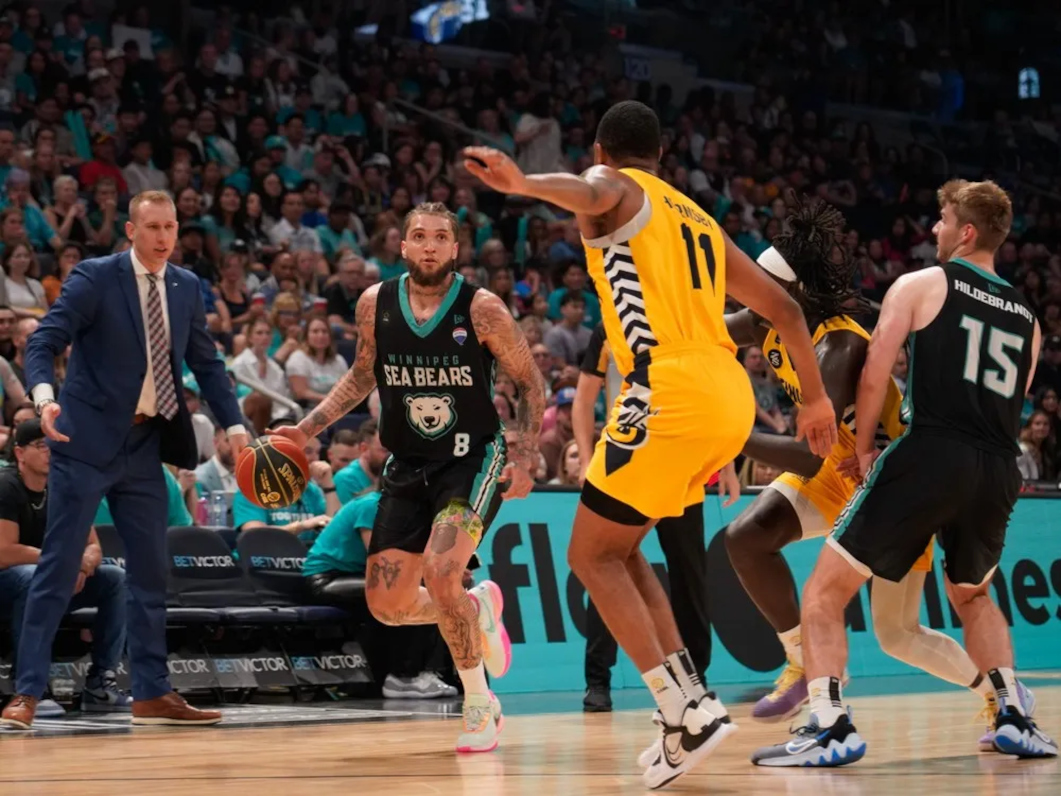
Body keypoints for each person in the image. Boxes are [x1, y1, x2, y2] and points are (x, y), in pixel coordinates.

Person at [462, 100, 837, 789]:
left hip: (665, 389)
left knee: (587, 556)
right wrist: (812, 399)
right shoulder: (693, 214)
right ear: (661, 154)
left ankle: (680, 710)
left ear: (603, 149)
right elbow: (783, 310)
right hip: (726, 392)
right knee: (620, 549)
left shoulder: (614, 186)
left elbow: (591, 191)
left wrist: (524, 185)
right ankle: (688, 702)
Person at [753, 179, 1057, 766]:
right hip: (998, 465)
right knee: (972, 595)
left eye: (942, 221)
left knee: (822, 592)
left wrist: (864, 447)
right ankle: (1014, 714)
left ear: (967, 231)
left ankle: (828, 725)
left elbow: (875, 372)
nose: (935, 230)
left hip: (928, 453)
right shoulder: (1028, 318)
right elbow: (1015, 395)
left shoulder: (922, 284)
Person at [273, 202, 547, 753]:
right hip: (406, 465)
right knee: (390, 606)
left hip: (472, 460)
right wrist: (305, 428)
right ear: (402, 247)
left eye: (439, 237)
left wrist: (526, 456)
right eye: (418, 236)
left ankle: (477, 703)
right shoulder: (376, 303)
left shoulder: (484, 309)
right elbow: (361, 375)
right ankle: (476, 609)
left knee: (444, 573)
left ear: (454, 249)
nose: (428, 245)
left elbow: (530, 382)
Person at [0, 190, 249, 730]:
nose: (162, 237)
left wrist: (234, 427)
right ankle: (26, 692)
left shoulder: (185, 286)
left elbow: (207, 365)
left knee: (151, 574)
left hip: (145, 447)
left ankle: (152, 692)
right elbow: (44, 340)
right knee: (58, 564)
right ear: (131, 231)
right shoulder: (95, 276)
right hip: (82, 442)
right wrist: (43, 398)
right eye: (152, 227)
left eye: (171, 227)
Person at [573, 322, 738, 713]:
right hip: (629, 463)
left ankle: (696, 679)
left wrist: (725, 463)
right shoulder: (609, 328)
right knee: (608, 565)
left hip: (681, 462)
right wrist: (584, 458)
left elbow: (714, 391)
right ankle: (599, 680)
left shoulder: (683, 321)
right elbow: (583, 400)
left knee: (689, 573)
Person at [0, 420, 129, 719]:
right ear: (19, 453)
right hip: (10, 581)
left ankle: (100, 683)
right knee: (32, 579)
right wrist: (63, 564)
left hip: (52, 577)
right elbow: (4, 551)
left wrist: (81, 564)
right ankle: (30, 689)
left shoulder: (66, 486)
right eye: (41, 446)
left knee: (116, 579)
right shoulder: (7, 487)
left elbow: (94, 546)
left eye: (54, 446)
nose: (50, 452)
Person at [305, 490, 457, 700]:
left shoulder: (412, 512)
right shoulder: (373, 506)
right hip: (328, 578)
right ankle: (405, 677)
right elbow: (379, 559)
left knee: (426, 591)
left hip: (362, 576)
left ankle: (417, 673)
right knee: (407, 591)